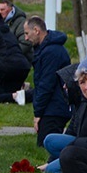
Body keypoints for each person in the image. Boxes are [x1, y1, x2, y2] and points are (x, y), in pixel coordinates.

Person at [23, 16, 72, 146]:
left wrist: (38, 113)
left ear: (36, 30)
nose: (26, 38)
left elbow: (46, 84)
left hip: (54, 107)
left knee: (46, 146)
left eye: (27, 33)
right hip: (52, 106)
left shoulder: (51, 52)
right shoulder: (46, 49)